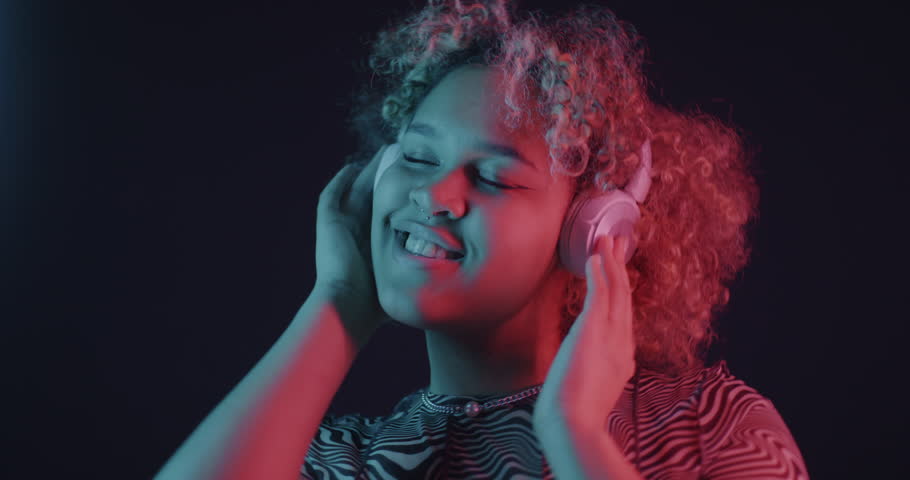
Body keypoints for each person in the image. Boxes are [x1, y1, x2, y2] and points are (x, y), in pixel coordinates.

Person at [154, 1, 810, 479]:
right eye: (417, 157)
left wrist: (574, 433)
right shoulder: (333, 460)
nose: (432, 194)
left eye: (493, 176)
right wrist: (339, 302)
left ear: (590, 228)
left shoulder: (710, 425)